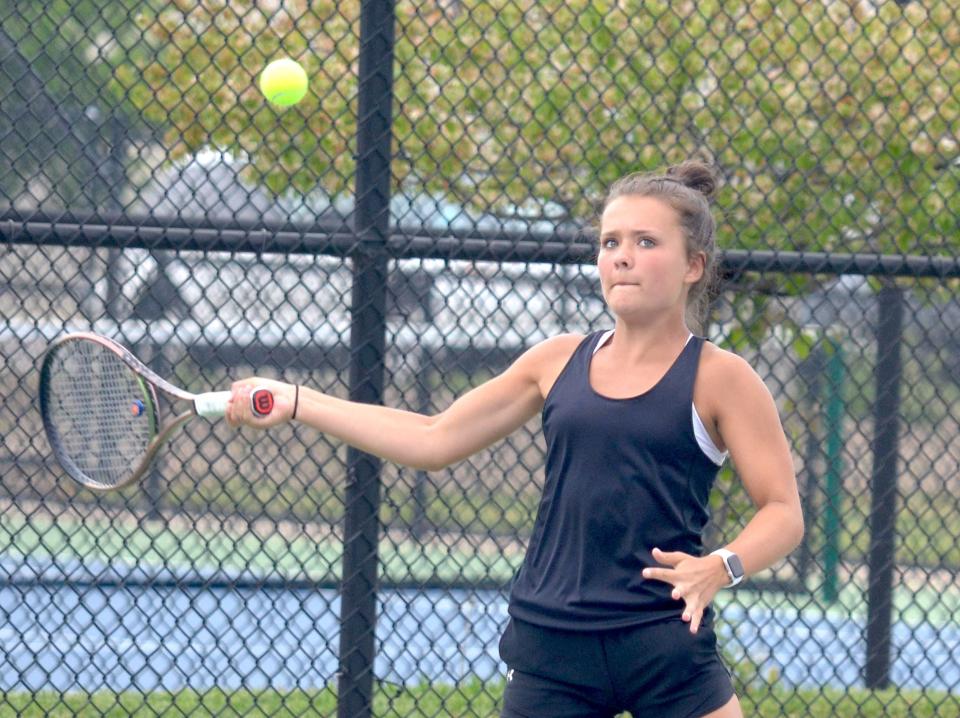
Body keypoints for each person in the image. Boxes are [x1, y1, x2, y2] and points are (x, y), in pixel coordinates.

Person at [226, 160, 803, 718]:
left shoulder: (721, 377)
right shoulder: (555, 361)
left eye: (647, 243)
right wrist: (299, 401)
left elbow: (783, 511)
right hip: (553, 646)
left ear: (693, 266)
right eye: (610, 243)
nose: (623, 257)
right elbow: (433, 438)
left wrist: (719, 566)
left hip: (662, 639)